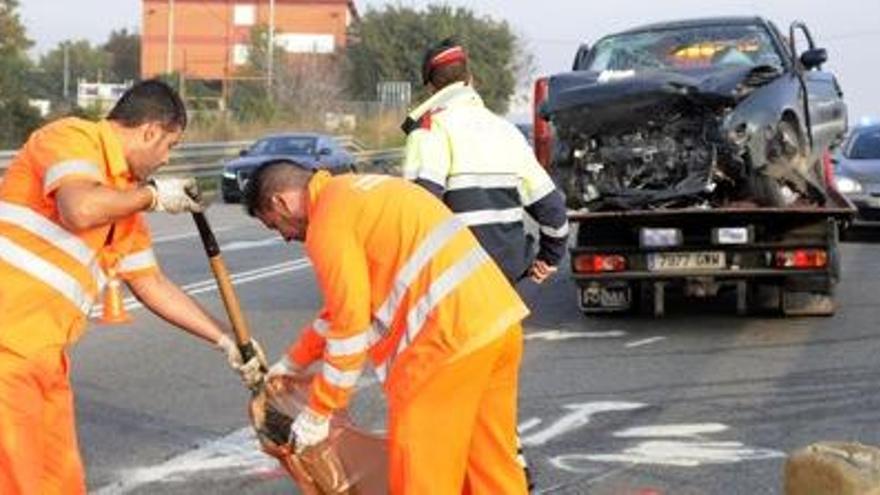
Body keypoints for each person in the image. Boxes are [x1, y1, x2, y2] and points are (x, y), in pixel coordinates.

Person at [0, 79, 266, 495]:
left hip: (43, 360)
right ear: (151, 131)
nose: (165, 159)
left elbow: (151, 283)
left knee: (61, 484)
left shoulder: (123, 199)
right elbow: (80, 208)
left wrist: (227, 339)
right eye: (169, 147)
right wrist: (152, 196)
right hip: (7, 352)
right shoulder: (72, 137)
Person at [243, 161, 531, 494]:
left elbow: (349, 327)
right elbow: (344, 311)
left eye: (275, 225)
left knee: (421, 479)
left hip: (442, 349)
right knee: (491, 465)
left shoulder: (328, 224)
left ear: (280, 202)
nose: (286, 236)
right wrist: (293, 362)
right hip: (496, 327)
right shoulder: (363, 191)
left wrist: (319, 411)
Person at [401, 38, 570, 285]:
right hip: (506, 276)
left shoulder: (430, 130)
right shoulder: (507, 131)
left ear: (431, 89)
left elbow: (418, 212)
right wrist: (549, 258)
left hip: (453, 279)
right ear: (470, 80)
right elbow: (553, 210)